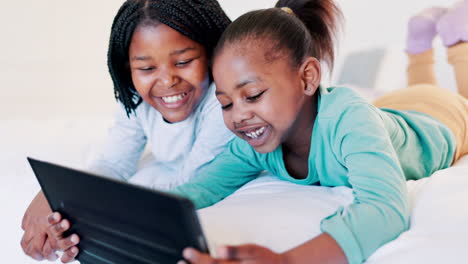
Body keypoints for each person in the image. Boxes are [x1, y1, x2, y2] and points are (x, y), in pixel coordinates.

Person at [46, 0, 468, 263]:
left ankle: (453, 44)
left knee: (454, 94)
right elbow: (197, 191)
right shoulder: (255, 144)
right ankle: (419, 43)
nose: (238, 117)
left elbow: (385, 209)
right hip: (387, 111)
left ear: (307, 78)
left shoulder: (349, 120)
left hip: (438, 119)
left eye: (252, 95)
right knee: (398, 95)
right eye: (226, 103)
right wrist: (106, 221)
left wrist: (287, 262)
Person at [20, 0, 232, 262]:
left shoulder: (223, 99)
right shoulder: (135, 98)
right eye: (146, 68)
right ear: (128, 69)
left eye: (184, 61)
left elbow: (193, 184)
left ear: (212, 53)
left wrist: (94, 214)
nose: (167, 81)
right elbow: (112, 164)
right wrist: (57, 200)